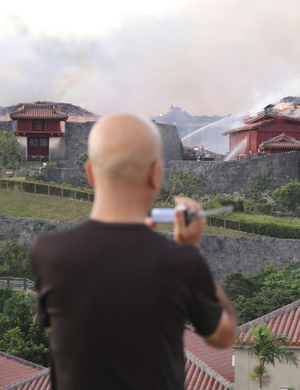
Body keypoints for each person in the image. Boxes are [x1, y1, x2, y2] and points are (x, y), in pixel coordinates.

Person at [30, 113, 237, 390]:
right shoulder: (179, 260)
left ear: (90, 172)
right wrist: (191, 252)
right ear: (156, 174)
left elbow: (53, 327)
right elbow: (223, 336)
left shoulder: (48, 253)